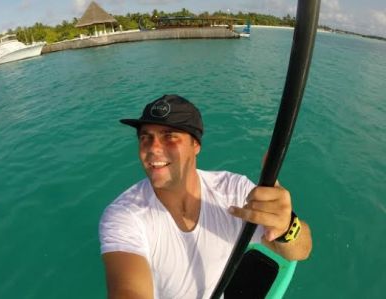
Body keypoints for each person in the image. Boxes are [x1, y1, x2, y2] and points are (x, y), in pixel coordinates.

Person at [99, 94, 312, 298]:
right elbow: (127, 290)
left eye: (169, 137)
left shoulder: (233, 192)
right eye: (146, 137)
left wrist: (287, 228)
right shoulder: (125, 215)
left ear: (196, 145)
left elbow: (301, 251)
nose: (153, 148)